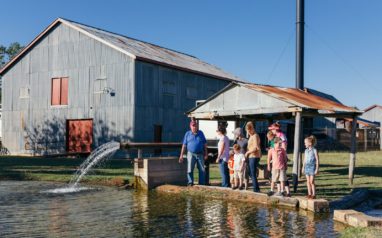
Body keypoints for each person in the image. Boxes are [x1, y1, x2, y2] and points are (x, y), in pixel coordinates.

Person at [179, 120, 208, 186]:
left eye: (195, 126)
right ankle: (190, 182)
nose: (194, 127)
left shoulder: (201, 133)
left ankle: (201, 184)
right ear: (190, 126)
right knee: (189, 169)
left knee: (202, 169)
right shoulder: (187, 134)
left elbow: (205, 144)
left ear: (197, 126)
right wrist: (181, 155)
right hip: (190, 153)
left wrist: (206, 154)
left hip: (200, 153)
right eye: (193, 126)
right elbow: (184, 145)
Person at [244, 121, 262, 192]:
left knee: (253, 173)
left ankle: (256, 189)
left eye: (248, 131)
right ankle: (256, 187)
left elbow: (256, 147)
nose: (247, 132)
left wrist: (247, 152)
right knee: (250, 172)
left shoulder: (255, 136)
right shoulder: (251, 136)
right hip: (251, 156)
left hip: (254, 156)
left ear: (251, 129)